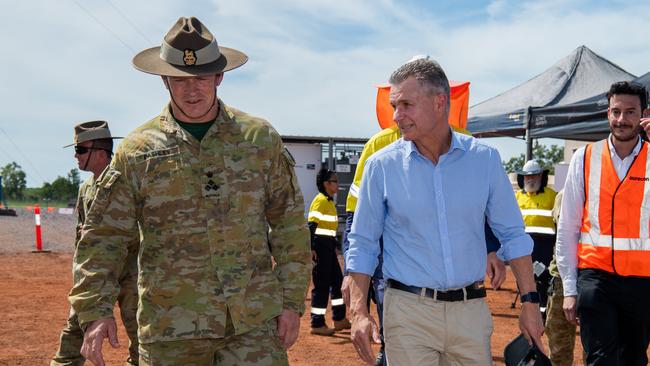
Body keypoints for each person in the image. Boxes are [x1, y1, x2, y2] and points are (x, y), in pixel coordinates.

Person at [68, 17, 311, 366]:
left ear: (219, 77)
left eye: (201, 78)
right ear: (165, 80)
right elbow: (104, 237)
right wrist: (95, 310)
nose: (191, 89)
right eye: (180, 80)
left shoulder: (259, 139)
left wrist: (290, 302)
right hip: (171, 329)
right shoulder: (137, 151)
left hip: (252, 327)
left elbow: (288, 226)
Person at [346, 57, 544, 365]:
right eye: (394, 105)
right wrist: (358, 312)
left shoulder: (485, 160)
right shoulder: (381, 166)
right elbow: (363, 243)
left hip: (471, 312)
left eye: (406, 105)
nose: (397, 116)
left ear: (440, 102)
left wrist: (530, 303)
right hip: (407, 313)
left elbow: (513, 235)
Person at [557, 80, 650, 365]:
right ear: (607, 113)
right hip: (595, 279)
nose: (622, 120)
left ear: (644, 114)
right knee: (599, 358)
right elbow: (568, 227)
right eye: (616, 111)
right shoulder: (584, 158)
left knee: (633, 358)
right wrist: (569, 289)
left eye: (631, 112)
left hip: (642, 282)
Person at [52, 121, 138, 366]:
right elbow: (84, 236)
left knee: (142, 338)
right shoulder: (86, 188)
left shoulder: (124, 183)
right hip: (98, 274)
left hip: (132, 273)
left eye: (80, 150)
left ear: (100, 153)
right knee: (75, 332)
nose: (75, 156)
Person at [308, 168, 351, 336]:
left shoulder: (329, 201)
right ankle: (317, 323)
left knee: (337, 281)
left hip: (329, 247)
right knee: (322, 285)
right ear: (326, 183)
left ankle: (339, 319)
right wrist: (311, 248)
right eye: (335, 181)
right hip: (320, 248)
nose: (338, 184)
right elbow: (311, 225)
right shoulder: (320, 201)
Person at [515, 160, 557, 313]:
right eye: (527, 176)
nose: (530, 179)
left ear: (541, 176)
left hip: (544, 247)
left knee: (543, 278)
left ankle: (542, 311)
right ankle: (527, 309)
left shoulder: (552, 196)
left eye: (534, 175)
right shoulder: (517, 197)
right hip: (523, 247)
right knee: (524, 277)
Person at [543, 189, 578, 366]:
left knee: (597, 346)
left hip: (596, 277)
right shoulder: (565, 195)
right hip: (563, 278)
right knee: (559, 345)